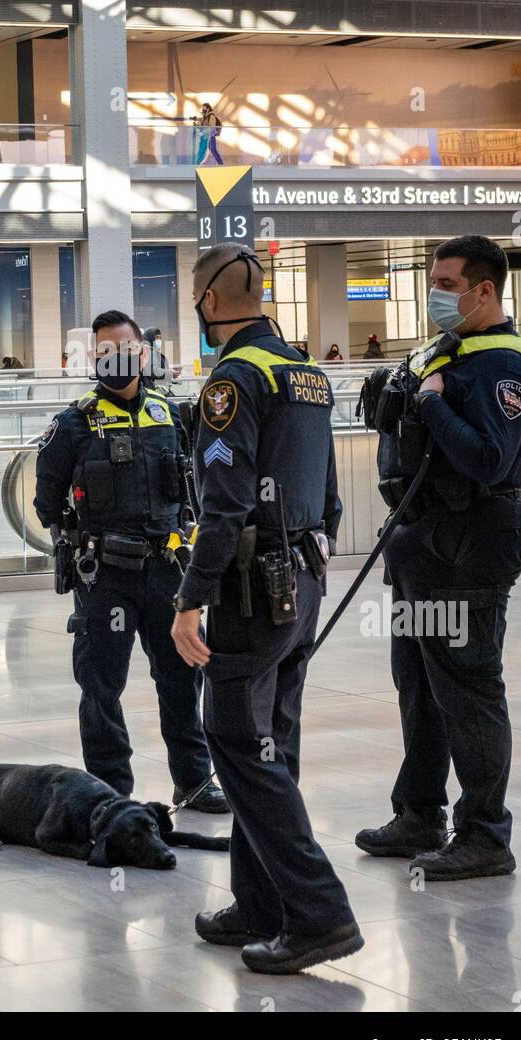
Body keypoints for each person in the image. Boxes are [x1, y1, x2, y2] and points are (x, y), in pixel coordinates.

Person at [171, 243, 362, 974]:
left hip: (253, 585)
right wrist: (313, 557)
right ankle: (260, 902)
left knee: (235, 744)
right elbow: (332, 487)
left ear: (210, 301)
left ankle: (318, 913)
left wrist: (190, 599)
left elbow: (223, 510)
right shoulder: (307, 372)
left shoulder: (233, 379)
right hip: (301, 573)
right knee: (273, 740)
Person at [356, 235, 521, 880]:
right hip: (422, 537)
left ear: (484, 289)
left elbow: (489, 458)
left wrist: (434, 403)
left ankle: (485, 834)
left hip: (472, 538)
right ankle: (418, 814)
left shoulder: (505, 364)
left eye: (446, 284)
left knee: (467, 687)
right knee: (417, 681)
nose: (435, 294)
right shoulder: (447, 351)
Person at [34, 309, 227, 811]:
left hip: (167, 571)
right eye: (104, 353)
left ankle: (195, 780)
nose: (115, 360)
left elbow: (195, 489)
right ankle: (109, 791)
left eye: (124, 350)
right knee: (101, 686)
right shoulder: (72, 424)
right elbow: (46, 501)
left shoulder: (170, 415)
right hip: (103, 578)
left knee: (183, 677)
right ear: (92, 357)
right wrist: (75, 544)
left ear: (142, 353)